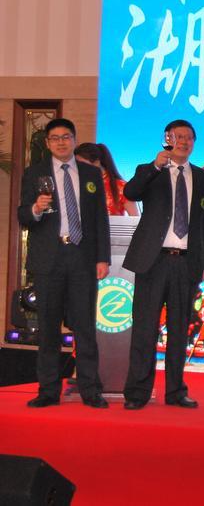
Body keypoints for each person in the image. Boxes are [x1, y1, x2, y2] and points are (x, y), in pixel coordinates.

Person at [17, 118, 110, 408]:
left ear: (74, 139)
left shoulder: (91, 173)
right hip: (49, 258)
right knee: (48, 328)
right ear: (48, 143)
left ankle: (90, 389)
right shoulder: (34, 173)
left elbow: (100, 219)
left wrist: (103, 258)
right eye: (55, 138)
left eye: (66, 137)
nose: (61, 142)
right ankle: (48, 390)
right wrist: (36, 208)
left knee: (85, 326)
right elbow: (22, 215)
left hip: (82, 257)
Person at [121, 120, 204, 410]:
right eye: (177, 137)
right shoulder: (150, 172)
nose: (183, 142)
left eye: (188, 137)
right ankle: (137, 392)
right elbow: (131, 193)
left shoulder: (202, 177)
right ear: (167, 139)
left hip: (186, 263)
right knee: (145, 329)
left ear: (194, 142)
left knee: (180, 330)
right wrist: (154, 166)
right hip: (153, 261)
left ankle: (175, 391)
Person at [74, 142, 139, 216]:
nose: (78, 168)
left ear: (96, 162)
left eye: (81, 164)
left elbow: (134, 218)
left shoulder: (121, 187)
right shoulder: (78, 184)